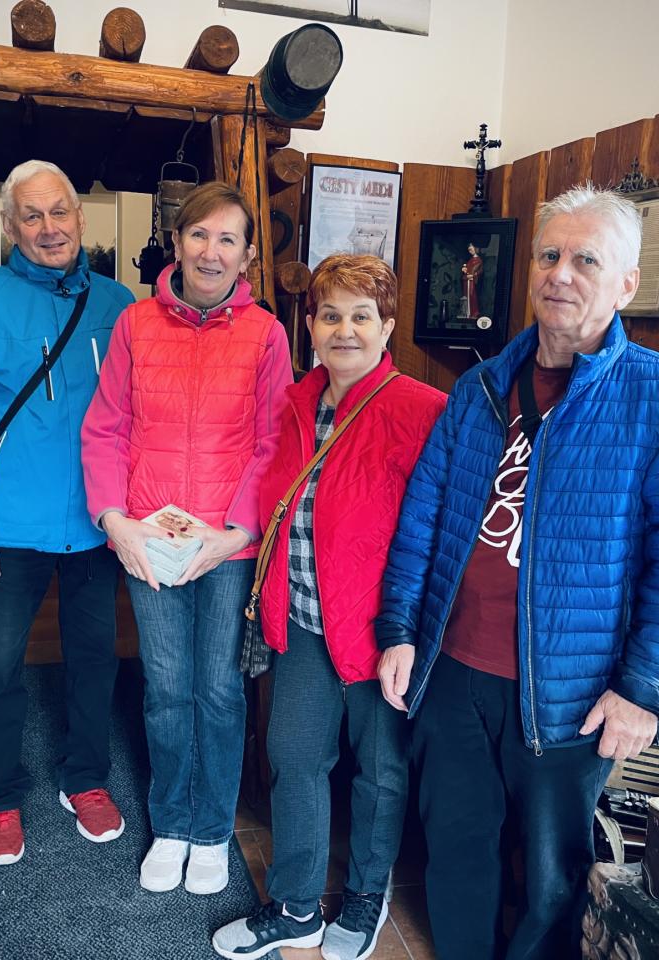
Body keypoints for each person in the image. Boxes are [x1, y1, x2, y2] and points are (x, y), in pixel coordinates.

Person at [375, 184, 659, 959]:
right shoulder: (479, 388)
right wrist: (399, 628)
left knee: (551, 883)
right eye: (549, 255)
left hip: (573, 691)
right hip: (453, 672)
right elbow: (423, 518)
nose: (560, 273)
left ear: (625, 284)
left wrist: (646, 689)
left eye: (585, 260)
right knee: (456, 853)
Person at [211, 256, 446, 960]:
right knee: (294, 757)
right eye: (331, 315)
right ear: (309, 325)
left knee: (380, 769)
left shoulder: (424, 411)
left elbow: (440, 532)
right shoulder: (292, 404)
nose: (345, 330)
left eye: (362, 316)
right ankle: (295, 907)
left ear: (388, 326)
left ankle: (368, 896)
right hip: (304, 621)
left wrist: (412, 629)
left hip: (383, 631)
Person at [82, 181, 293, 896]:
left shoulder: (267, 334)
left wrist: (234, 532)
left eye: (227, 239)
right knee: (167, 690)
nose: (211, 251)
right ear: (176, 243)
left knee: (220, 691)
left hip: (227, 546)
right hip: (150, 538)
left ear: (247, 256)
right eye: (199, 235)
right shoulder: (136, 324)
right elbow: (105, 429)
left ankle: (211, 830)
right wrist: (115, 522)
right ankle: (171, 823)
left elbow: (272, 443)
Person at [0, 159, 135, 866]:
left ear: (80, 216)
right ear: (11, 226)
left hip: (96, 522)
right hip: (5, 526)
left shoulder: (119, 304)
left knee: (95, 660)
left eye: (60, 212)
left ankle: (86, 778)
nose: (49, 228)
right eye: (32, 216)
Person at [460, 242, 483, 318]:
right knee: (466, 295)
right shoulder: (470, 259)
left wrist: (473, 275)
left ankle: (473, 312)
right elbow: (468, 268)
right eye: (469, 250)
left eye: (471, 249)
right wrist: (464, 269)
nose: (470, 251)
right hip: (467, 280)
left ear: (475, 249)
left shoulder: (479, 260)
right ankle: (466, 312)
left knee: (472, 295)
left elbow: (480, 271)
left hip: (472, 281)